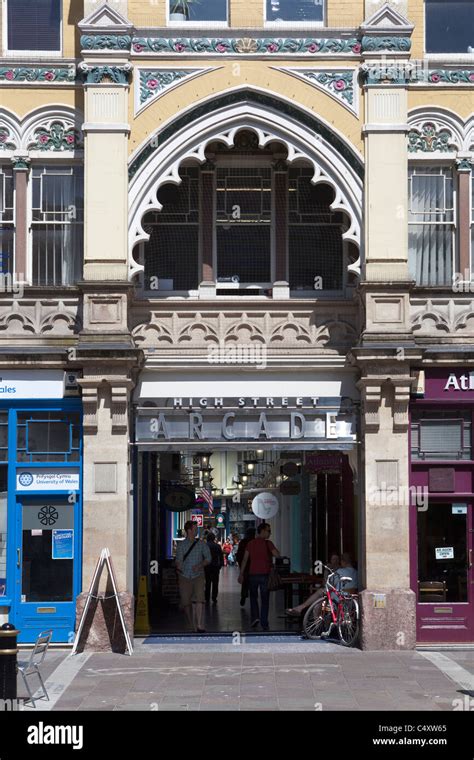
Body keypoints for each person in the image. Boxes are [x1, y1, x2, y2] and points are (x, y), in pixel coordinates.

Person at [238, 522, 280, 631]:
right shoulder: (268, 544)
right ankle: (264, 622)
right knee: (265, 599)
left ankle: (255, 618)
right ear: (262, 531)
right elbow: (277, 555)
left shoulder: (251, 543)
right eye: (268, 531)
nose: (270, 533)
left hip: (253, 575)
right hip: (264, 575)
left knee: (253, 597)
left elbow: (245, 559)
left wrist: (241, 574)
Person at [175, 520, 211, 632]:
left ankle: (200, 625)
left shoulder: (201, 544)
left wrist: (200, 565)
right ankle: (191, 623)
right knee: (186, 602)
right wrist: (179, 566)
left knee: (200, 599)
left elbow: (208, 558)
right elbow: (178, 560)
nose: (197, 531)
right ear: (189, 530)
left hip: (198, 575)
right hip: (184, 576)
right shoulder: (181, 545)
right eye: (195, 529)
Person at [236, 527, 256, 606]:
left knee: (245, 582)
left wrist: (240, 565)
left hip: (245, 566)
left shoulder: (243, 542)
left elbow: (239, 554)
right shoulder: (254, 542)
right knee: (253, 582)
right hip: (254, 566)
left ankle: (244, 595)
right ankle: (253, 597)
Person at [205, 532, 224, 603]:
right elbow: (221, 557)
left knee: (207, 583)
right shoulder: (217, 546)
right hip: (215, 567)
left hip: (207, 567)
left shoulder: (205, 546)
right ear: (214, 538)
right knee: (215, 583)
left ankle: (207, 597)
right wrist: (220, 565)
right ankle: (214, 597)